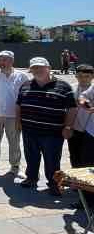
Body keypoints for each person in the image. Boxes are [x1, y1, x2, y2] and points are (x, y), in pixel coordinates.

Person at [17, 57, 77, 196]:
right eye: (34, 68)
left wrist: (68, 126)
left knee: (52, 160)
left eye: (40, 67)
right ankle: (31, 178)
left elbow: (72, 109)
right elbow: (18, 104)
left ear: (48, 68)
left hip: (53, 132)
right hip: (29, 130)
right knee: (31, 156)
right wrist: (18, 121)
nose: (37, 70)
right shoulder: (26, 85)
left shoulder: (63, 86)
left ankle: (54, 184)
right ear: (30, 70)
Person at [0, 50, 29, 175]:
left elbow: (26, 96)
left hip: (14, 116)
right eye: (0, 59)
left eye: (5, 59)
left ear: (12, 61)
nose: (2, 62)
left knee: (14, 142)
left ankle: (15, 166)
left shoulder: (22, 76)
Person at [69, 64, 94, 168]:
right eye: (80, 76)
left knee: (88, 160)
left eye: (86, 76)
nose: (83, 79)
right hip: (74, 128)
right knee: (74, 157)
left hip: (90, 131)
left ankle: (87, 183)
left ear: (92, 77)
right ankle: (75, 182)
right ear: (76, 76)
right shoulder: (71, 88)